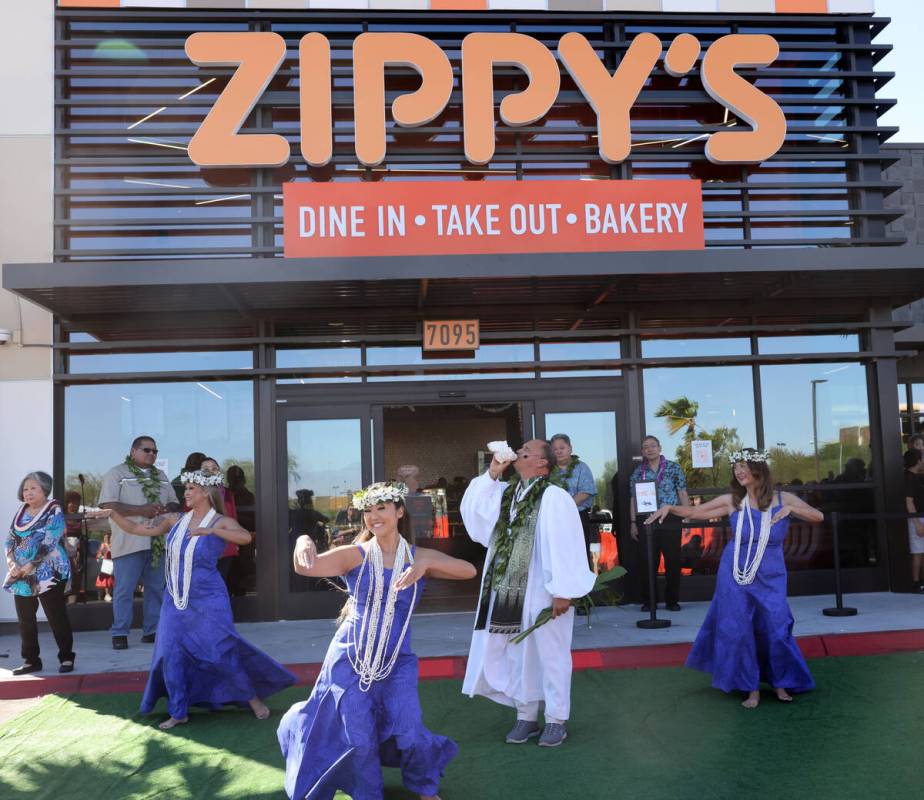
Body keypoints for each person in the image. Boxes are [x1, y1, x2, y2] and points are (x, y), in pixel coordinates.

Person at [278, 481, 475, 800]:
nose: (373, 516)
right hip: (351, 659)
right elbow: (306, 566)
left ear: (399, 511)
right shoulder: (355, 555)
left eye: (381, 508)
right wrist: (302, 539)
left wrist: (425, 564)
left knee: (409, 731)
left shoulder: (416, 555)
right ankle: (368, 793)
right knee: (358, 738)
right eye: (367, 510)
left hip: (397, 661)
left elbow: (467, 570)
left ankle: (425, 787)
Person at [95, 470, 295, 730]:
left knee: (220, 651)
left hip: (209, 598)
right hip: (174, 599)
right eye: (186, 489)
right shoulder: (175, 519)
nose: (186, 493)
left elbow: (245, 537)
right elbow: (136, 528)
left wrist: (211, 530)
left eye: (190, 488)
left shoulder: (221, 521)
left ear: (206, 493)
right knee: (170, 654)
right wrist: (113, 514)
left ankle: (252, 698)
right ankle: (179, 710)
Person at [646, 449, 822, 708]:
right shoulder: (732, 501)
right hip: (735, 574)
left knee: (776, 627)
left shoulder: (784, 499)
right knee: (740, 630)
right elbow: (695, 513)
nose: (738, 471)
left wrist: (791, 512)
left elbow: (818, 516)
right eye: (735, 467)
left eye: (742, 466)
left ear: (757, 469)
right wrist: (670, 507)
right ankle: (751, 689)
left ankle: (781, 682)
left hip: (771, 574)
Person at [460, 440, 596, 748]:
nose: (519, 451)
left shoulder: (555, 497)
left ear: (542, 464)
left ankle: (557, 719)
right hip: (510, 590)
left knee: (552, 654)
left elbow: (567, 545)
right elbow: (475, 516)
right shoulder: (507, 495)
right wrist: (493, 472)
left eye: (526, 450)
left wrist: (563, 591)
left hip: (544, 589)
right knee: (516, 652)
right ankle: (526, 714)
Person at [99, 436, 174, 650]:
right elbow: (107, 505)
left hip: (158, 541)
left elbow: (174, 500)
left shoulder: (160, 475)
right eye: (146, 450)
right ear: (133, 452)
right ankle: (120, 632)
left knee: (156, 588)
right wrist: (141, 510)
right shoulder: (117, 473)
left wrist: (165, 508)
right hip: (129, 541)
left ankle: (152, 630)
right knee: (124, 589)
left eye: (155, 451)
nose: (151, 454)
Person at [4, 472, 76, 675]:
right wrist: (11, 563)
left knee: (56, 616)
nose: (28, 493)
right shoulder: (21, 511)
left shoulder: (53, 509)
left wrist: (30, 565)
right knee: (25, 619)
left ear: (45, 489)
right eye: (25, 489)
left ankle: (66, 657)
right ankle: (31, 661)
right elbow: (10, 540)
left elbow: (50, 540)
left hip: (49, 570)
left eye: (33, 488)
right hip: (21, 573)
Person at [629, 435, 690, 611]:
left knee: (672, 560)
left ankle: (672, 601)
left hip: (670, 517)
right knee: (647, 561)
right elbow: (633, 499)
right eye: (645, 447)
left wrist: (686, 516)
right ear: (642, 451)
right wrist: (633, 522)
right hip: (646, 518)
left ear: (660, 447)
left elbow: (682, 493)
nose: (649, 449)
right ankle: (650, 601)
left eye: (653, 446)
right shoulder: (638, 472)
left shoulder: (673, 468)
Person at [550, 433, 597, 560]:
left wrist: (564, 506)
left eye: (562, 448)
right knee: (557, 556)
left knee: (578, 556)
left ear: (570, 448)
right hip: (554, 519)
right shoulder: (547, 470)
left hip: (577, 517)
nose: (558, 451)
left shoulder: (581, 467)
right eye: (555, 449)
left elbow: (585, 492)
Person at [199, 457, 238, 584]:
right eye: (206, 469)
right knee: (204, 584)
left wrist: (235, 541)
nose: (210, 471)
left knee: (221, 582)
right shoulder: (194, 492)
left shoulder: (227, 493)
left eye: (214, 469)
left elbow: (233, 518)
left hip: (226, 545)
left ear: (219, 472)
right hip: (203, 545)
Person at [903, 449, 924, 592]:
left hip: (921, 517)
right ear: (918, 461)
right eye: (922, 459)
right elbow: (909, 502)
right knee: (917, 552)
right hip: (916, 518)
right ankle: (916, 584)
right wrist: (917, 524)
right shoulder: (909, 477)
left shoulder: (916, 476)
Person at [63, 490, 86, 604]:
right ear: (66, 503)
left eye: (77, 503)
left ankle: (73, 604)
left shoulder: (80, 518)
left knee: (76, 578)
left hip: (77, 552)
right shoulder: (61, 518)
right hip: (64, 552)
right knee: (66, 578)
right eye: (72, 502)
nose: (75, 505)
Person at [96, 532, 114, 602]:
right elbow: (99, 554)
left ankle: (109, 593)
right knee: (107, 579)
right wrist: (100, 556)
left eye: (108, 537)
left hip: (113, 562)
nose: (106, 539)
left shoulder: (112, 545)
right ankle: (106, 594)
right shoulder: (103, 545)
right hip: (107, 563)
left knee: (112, 579)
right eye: (105, 537)